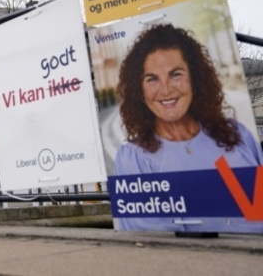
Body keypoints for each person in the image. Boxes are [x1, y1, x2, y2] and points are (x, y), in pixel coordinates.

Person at [113, 23, 263, 232]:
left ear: (195, 77)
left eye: (175, 74)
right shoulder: (134, 158)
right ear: (139, 90)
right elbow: (150, 240)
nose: (166, 89)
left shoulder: (237, 134)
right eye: (152, 79)